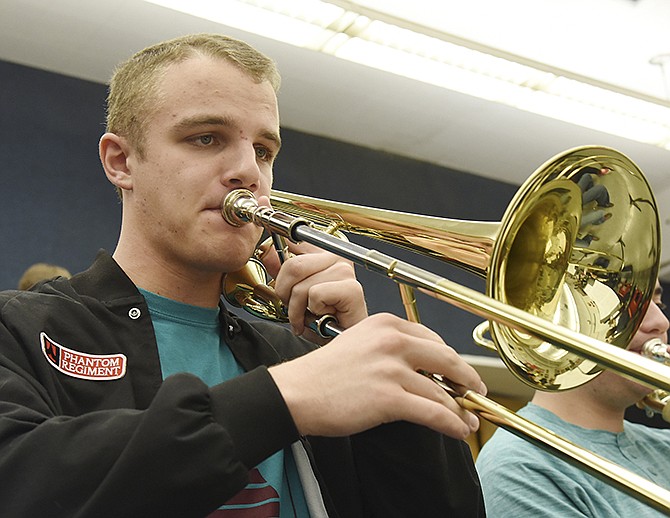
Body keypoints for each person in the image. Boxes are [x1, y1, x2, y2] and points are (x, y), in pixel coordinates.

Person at [0, 34, 488, 517]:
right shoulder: (18, 329)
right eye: (206, 138)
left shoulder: (302, 354)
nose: (247, 171)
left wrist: (365, 358)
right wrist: (285, 399)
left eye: (264, 150)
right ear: (121, 161)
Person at [476, 281, 670, 517]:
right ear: (556, 319)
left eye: (658, 303)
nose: (661, 322)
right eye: (627, 303)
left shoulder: (664, 443)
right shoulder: (519, 464)